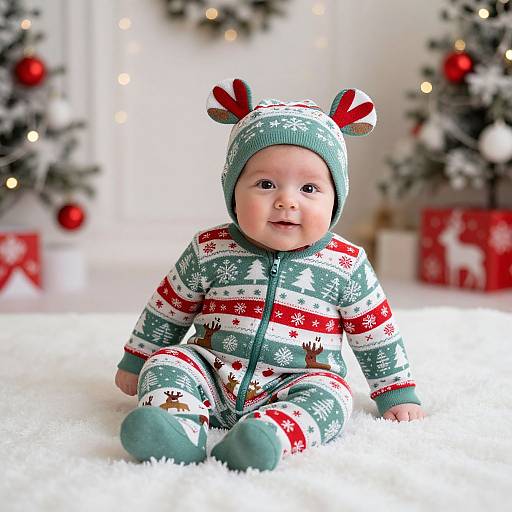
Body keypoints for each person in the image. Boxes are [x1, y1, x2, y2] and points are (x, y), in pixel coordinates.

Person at [115, 78, 426, 472]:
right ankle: (176, 429)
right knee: (167, 362)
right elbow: (168, 306)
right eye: (265, 184)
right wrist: (137, 357)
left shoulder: (346, 263)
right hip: (212, 368)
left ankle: (267, 436)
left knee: (333, 397)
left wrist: (396, 392)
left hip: (298, 381)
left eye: (310, 188)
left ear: (335, 199)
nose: (286, 200)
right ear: (232, 190)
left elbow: (376, 332)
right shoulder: (209, 248)